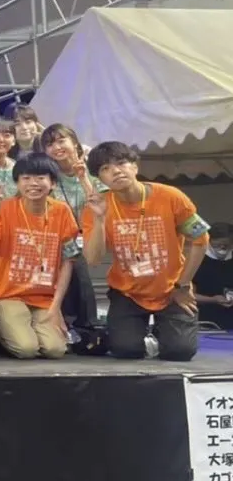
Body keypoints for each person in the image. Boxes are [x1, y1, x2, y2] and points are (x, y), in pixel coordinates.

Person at [83, 141, 209, 361]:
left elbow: (201, 239)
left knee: (180, 351)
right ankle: (143, 337)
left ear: (135, 166)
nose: (116, 171)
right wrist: (100, 219)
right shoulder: (96, 207)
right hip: (127, 292)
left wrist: (183, 285)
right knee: (125, 350)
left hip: (171, 288)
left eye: (121, 163)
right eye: (105, 168)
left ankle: (165, 331)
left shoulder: (171, 196)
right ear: (99, 178)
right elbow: (93, 260)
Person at [0, 154, 80, 359]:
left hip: (43, 298)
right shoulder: (4, 208)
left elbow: (68, 261)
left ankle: (24, 328)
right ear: (17, 183)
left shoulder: (62, 211)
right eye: (26, 178)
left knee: (55, 350)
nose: (33, 183)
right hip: (6, 294)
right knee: (26, 349)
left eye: (40, 178)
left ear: (52, 183)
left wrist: (56, 306)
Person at [37, 123, 102, 333]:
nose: (56, 147)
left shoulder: (94, 169)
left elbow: (100, 204)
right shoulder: (47, 176)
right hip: (59, 238)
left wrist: (83, 178)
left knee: (75, 259)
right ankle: (79, 323)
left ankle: (85, 324)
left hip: (94, 233)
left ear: (75, 142)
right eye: (50, 144)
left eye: (61, 141)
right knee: (72, 258)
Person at [195, 223, 233, 331]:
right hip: (206, 325)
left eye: (226, 245)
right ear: (209, 241)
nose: (222, 249)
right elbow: (188, 296)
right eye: (218, 245)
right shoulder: (197, 261)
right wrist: (213, 300)